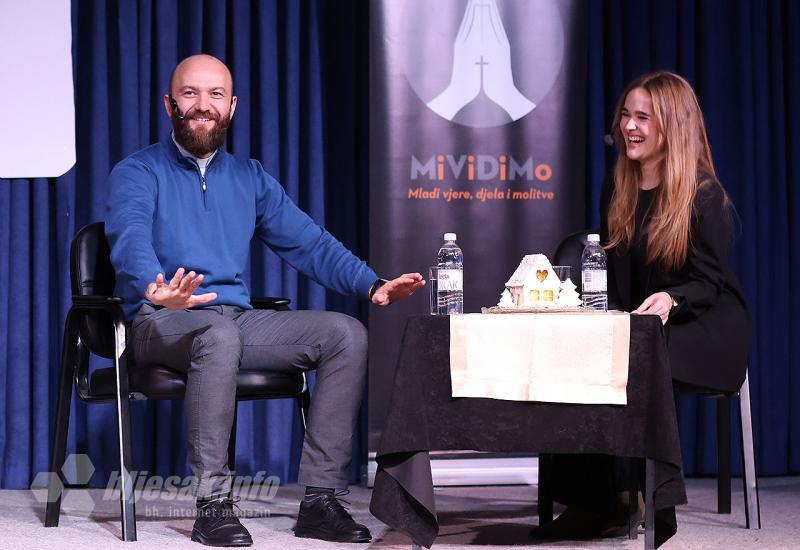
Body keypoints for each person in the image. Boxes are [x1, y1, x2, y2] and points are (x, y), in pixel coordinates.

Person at [105, 54, 424, 548]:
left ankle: (320, 501)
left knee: (344, 334)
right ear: (169, 104)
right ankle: (212, 505)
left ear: (231, 107)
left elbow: (310, 243)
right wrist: (154, 286)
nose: (202, 106)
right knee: (217, 332)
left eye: (215, 96)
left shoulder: (249, 177)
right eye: (190, 94)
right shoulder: (138, 171)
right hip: (159, 320)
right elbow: (128, 234)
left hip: (232, 321)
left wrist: (370, 283)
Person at [535, 71, 751, 539]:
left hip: (706, 324)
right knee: (585, 349)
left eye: (642, 118)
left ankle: (650, 505)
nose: (629, 127)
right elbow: (614, 265)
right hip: (644, 322)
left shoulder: (703, 193)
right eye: (626, 116)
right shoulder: (620, 186)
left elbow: (710, 281)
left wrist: (672, 299)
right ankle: (594, 501)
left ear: (670, 125)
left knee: (640, 357)